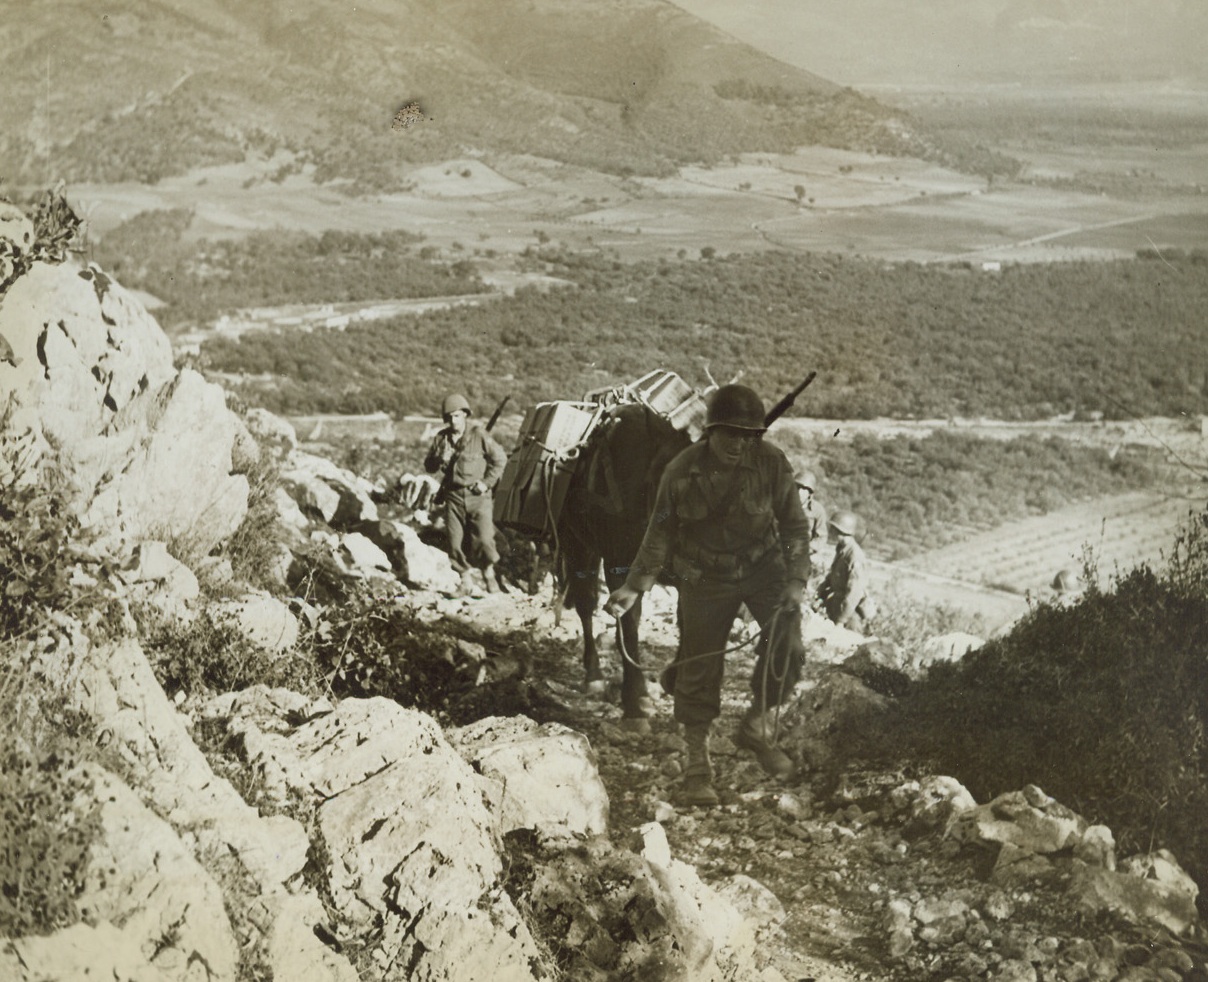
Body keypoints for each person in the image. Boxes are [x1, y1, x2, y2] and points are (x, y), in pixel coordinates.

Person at [605, 383, 811, 807]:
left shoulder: (772, 464)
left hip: (763, 568)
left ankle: (757, 725)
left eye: (748, 435)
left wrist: (795, 580)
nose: (739, 444)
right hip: (704, 576)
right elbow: (658, 532)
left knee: (787, 644)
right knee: (700, 665)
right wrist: (633, 586)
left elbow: (793, 527)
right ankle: (698, 766)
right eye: (730, 434)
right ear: (711, 431)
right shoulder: (681, 471)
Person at [424, 393, 507, 595]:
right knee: (454, 542)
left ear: (465, 415)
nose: (454, 421)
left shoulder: (479, 436)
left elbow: (500, 460)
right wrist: (438, 457)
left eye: (458, 416)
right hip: (453, 498)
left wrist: (486, 484)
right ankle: (465, 581)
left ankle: (488, 572)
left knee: (486, 540)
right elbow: (429, 467)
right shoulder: (441, 439)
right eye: (450, 417)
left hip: (478, 498)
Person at [816, 510, 874, 631]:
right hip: (836, 605)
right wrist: (819, 594)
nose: (830, 531)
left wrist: (841, 620)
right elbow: (832, 577)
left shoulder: (854, 556)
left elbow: (854, 592)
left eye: (833, 528)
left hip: (850, 615)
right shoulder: (842, 549)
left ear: (841, 531)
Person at [795, 467, 829, 557]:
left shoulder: (817, 510)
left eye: (803, 489)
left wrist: (807, 548)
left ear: (810, 493)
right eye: (797, 487)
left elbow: (821, 537)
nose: (799, 492)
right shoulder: (784, 504)